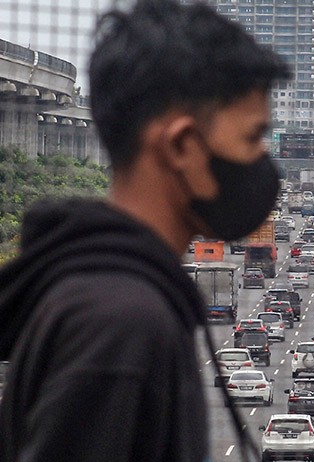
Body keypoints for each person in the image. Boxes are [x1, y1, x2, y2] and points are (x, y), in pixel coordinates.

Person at [0, 0, 289, 461]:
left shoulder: (96, 292)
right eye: (252, 138)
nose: (261, 164)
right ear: (181, 146)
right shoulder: (123, 324)